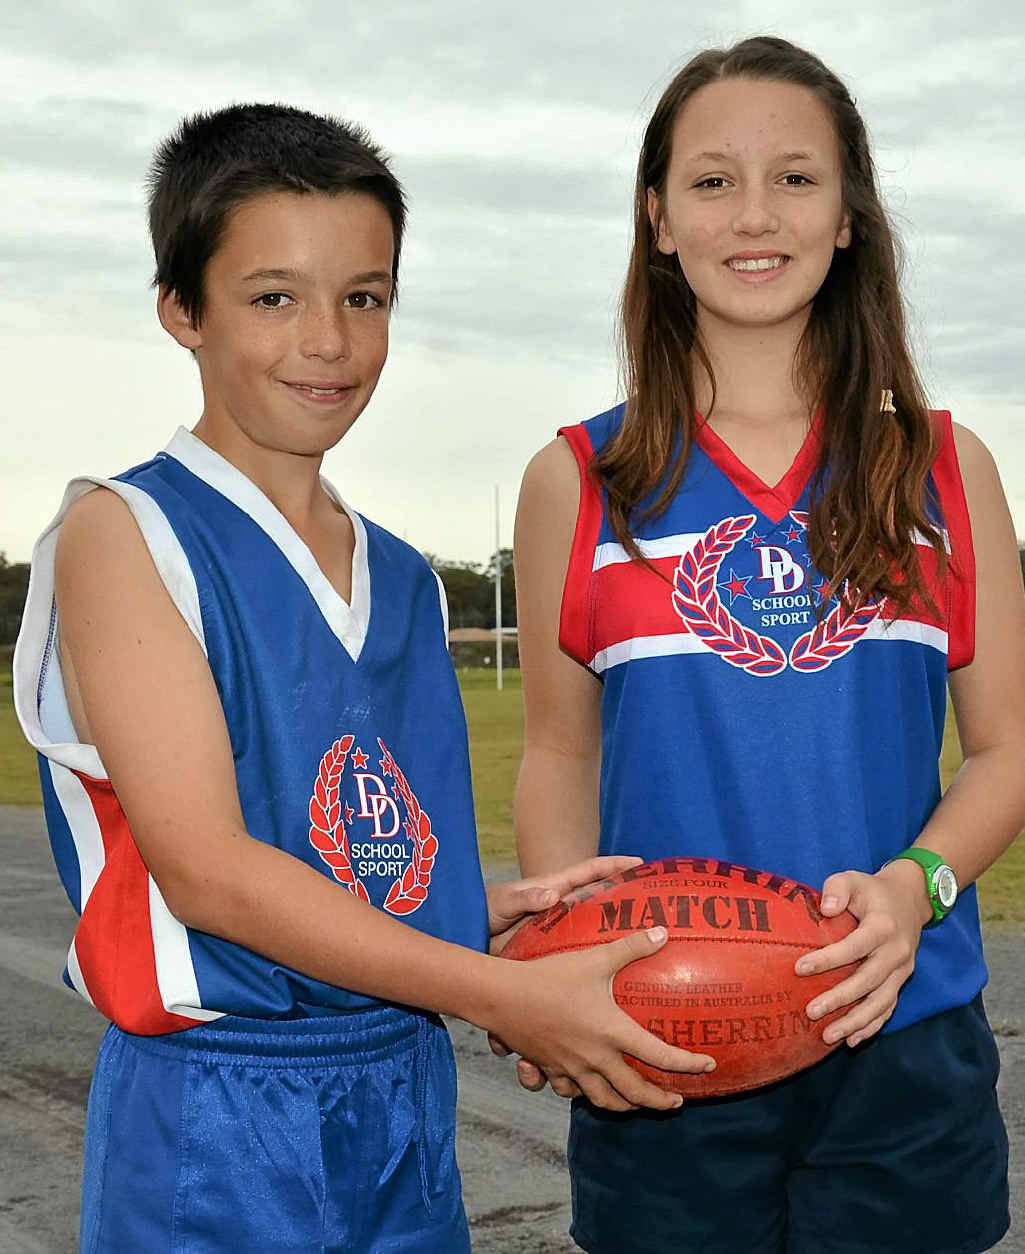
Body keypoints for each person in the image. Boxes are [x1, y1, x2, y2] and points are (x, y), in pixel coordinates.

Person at [12, 103, 716, 1254]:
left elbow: (354, 851)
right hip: (219, 1105)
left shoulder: (401, 574)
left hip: (399, 1085)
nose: (328, 340)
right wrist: (500, 996)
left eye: (365, 296)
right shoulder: (125, 532)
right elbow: (212, 879)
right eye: (272, 297)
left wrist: (471, 917)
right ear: (181, 310)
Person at [512, 35, 1025, 1254]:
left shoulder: (944, 468)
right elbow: (557, 754)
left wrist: (918, 887)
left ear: (847, 215)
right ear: (655, 218)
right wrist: (553, 967)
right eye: (710, 180)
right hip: (659, 1031)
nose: (755, 214)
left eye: (794, 178)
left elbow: (1004, 752)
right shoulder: (578, 480)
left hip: (898, 1038)